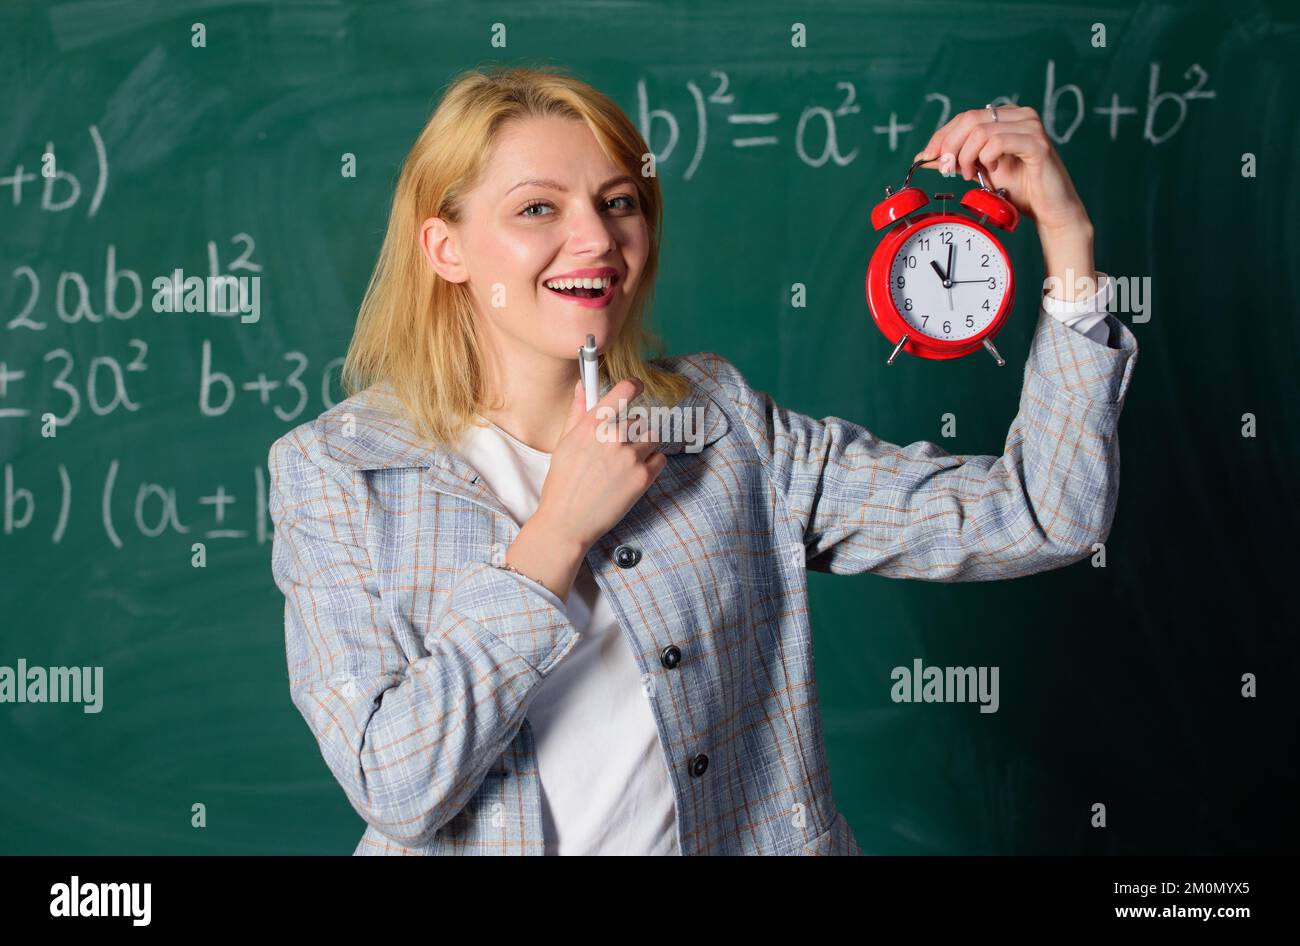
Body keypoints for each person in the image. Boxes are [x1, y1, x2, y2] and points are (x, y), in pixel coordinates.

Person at [268, 66, 1138, 855]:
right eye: (538, 208)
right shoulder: (338, 474)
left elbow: (1041, 513)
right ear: (446, 249)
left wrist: (1067, 239)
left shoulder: (721, 427)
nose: (597, 240)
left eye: (618, 202)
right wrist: (557, 533)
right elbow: (397, 785)